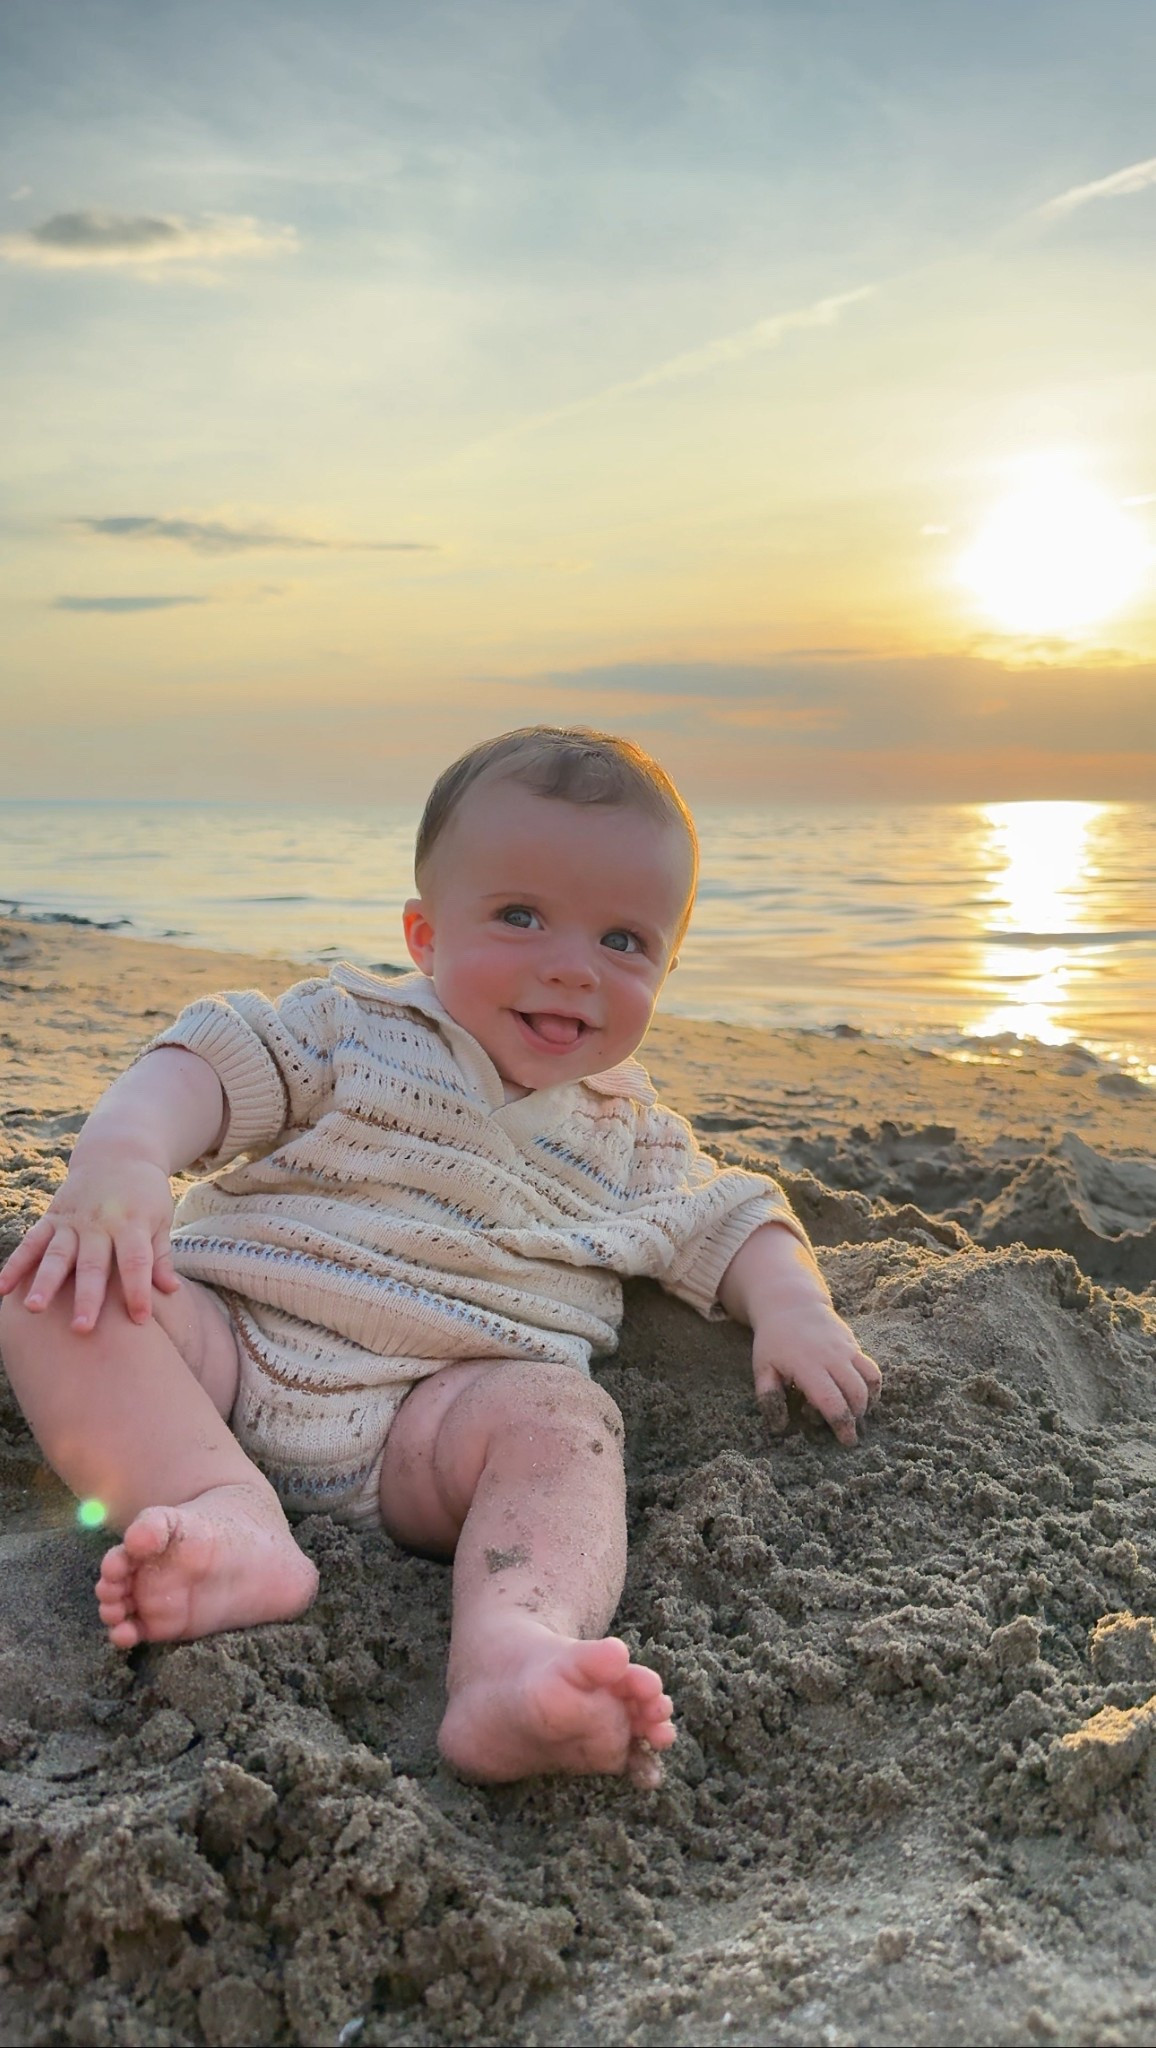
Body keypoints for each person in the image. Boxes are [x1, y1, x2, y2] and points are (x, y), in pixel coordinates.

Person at [0, 727, 881, 1787]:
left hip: (436, 1426)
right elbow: (215, 1058)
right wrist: (126, 1154)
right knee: (55, 1291)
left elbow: (733, 1215)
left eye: (623, 941)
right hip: (229, 1349)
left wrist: (792, 1304)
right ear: (424, 932)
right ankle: (225, 1510)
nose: (570, 963)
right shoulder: (350, 1029)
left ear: (668, 967)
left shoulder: (634, 1136)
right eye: (519, 916)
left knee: (564, 1425)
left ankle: (513, 1645)